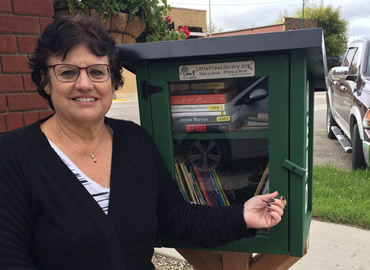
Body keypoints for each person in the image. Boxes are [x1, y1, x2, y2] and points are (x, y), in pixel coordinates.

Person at [0, 15, 286, 270]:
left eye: (98, 71)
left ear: (113, 82)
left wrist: (241, 216)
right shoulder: (13, 156)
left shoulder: (134, 141)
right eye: (67, 72)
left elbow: (178, 217)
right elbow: (10, 258)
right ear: (45, 81)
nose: (84, 84)